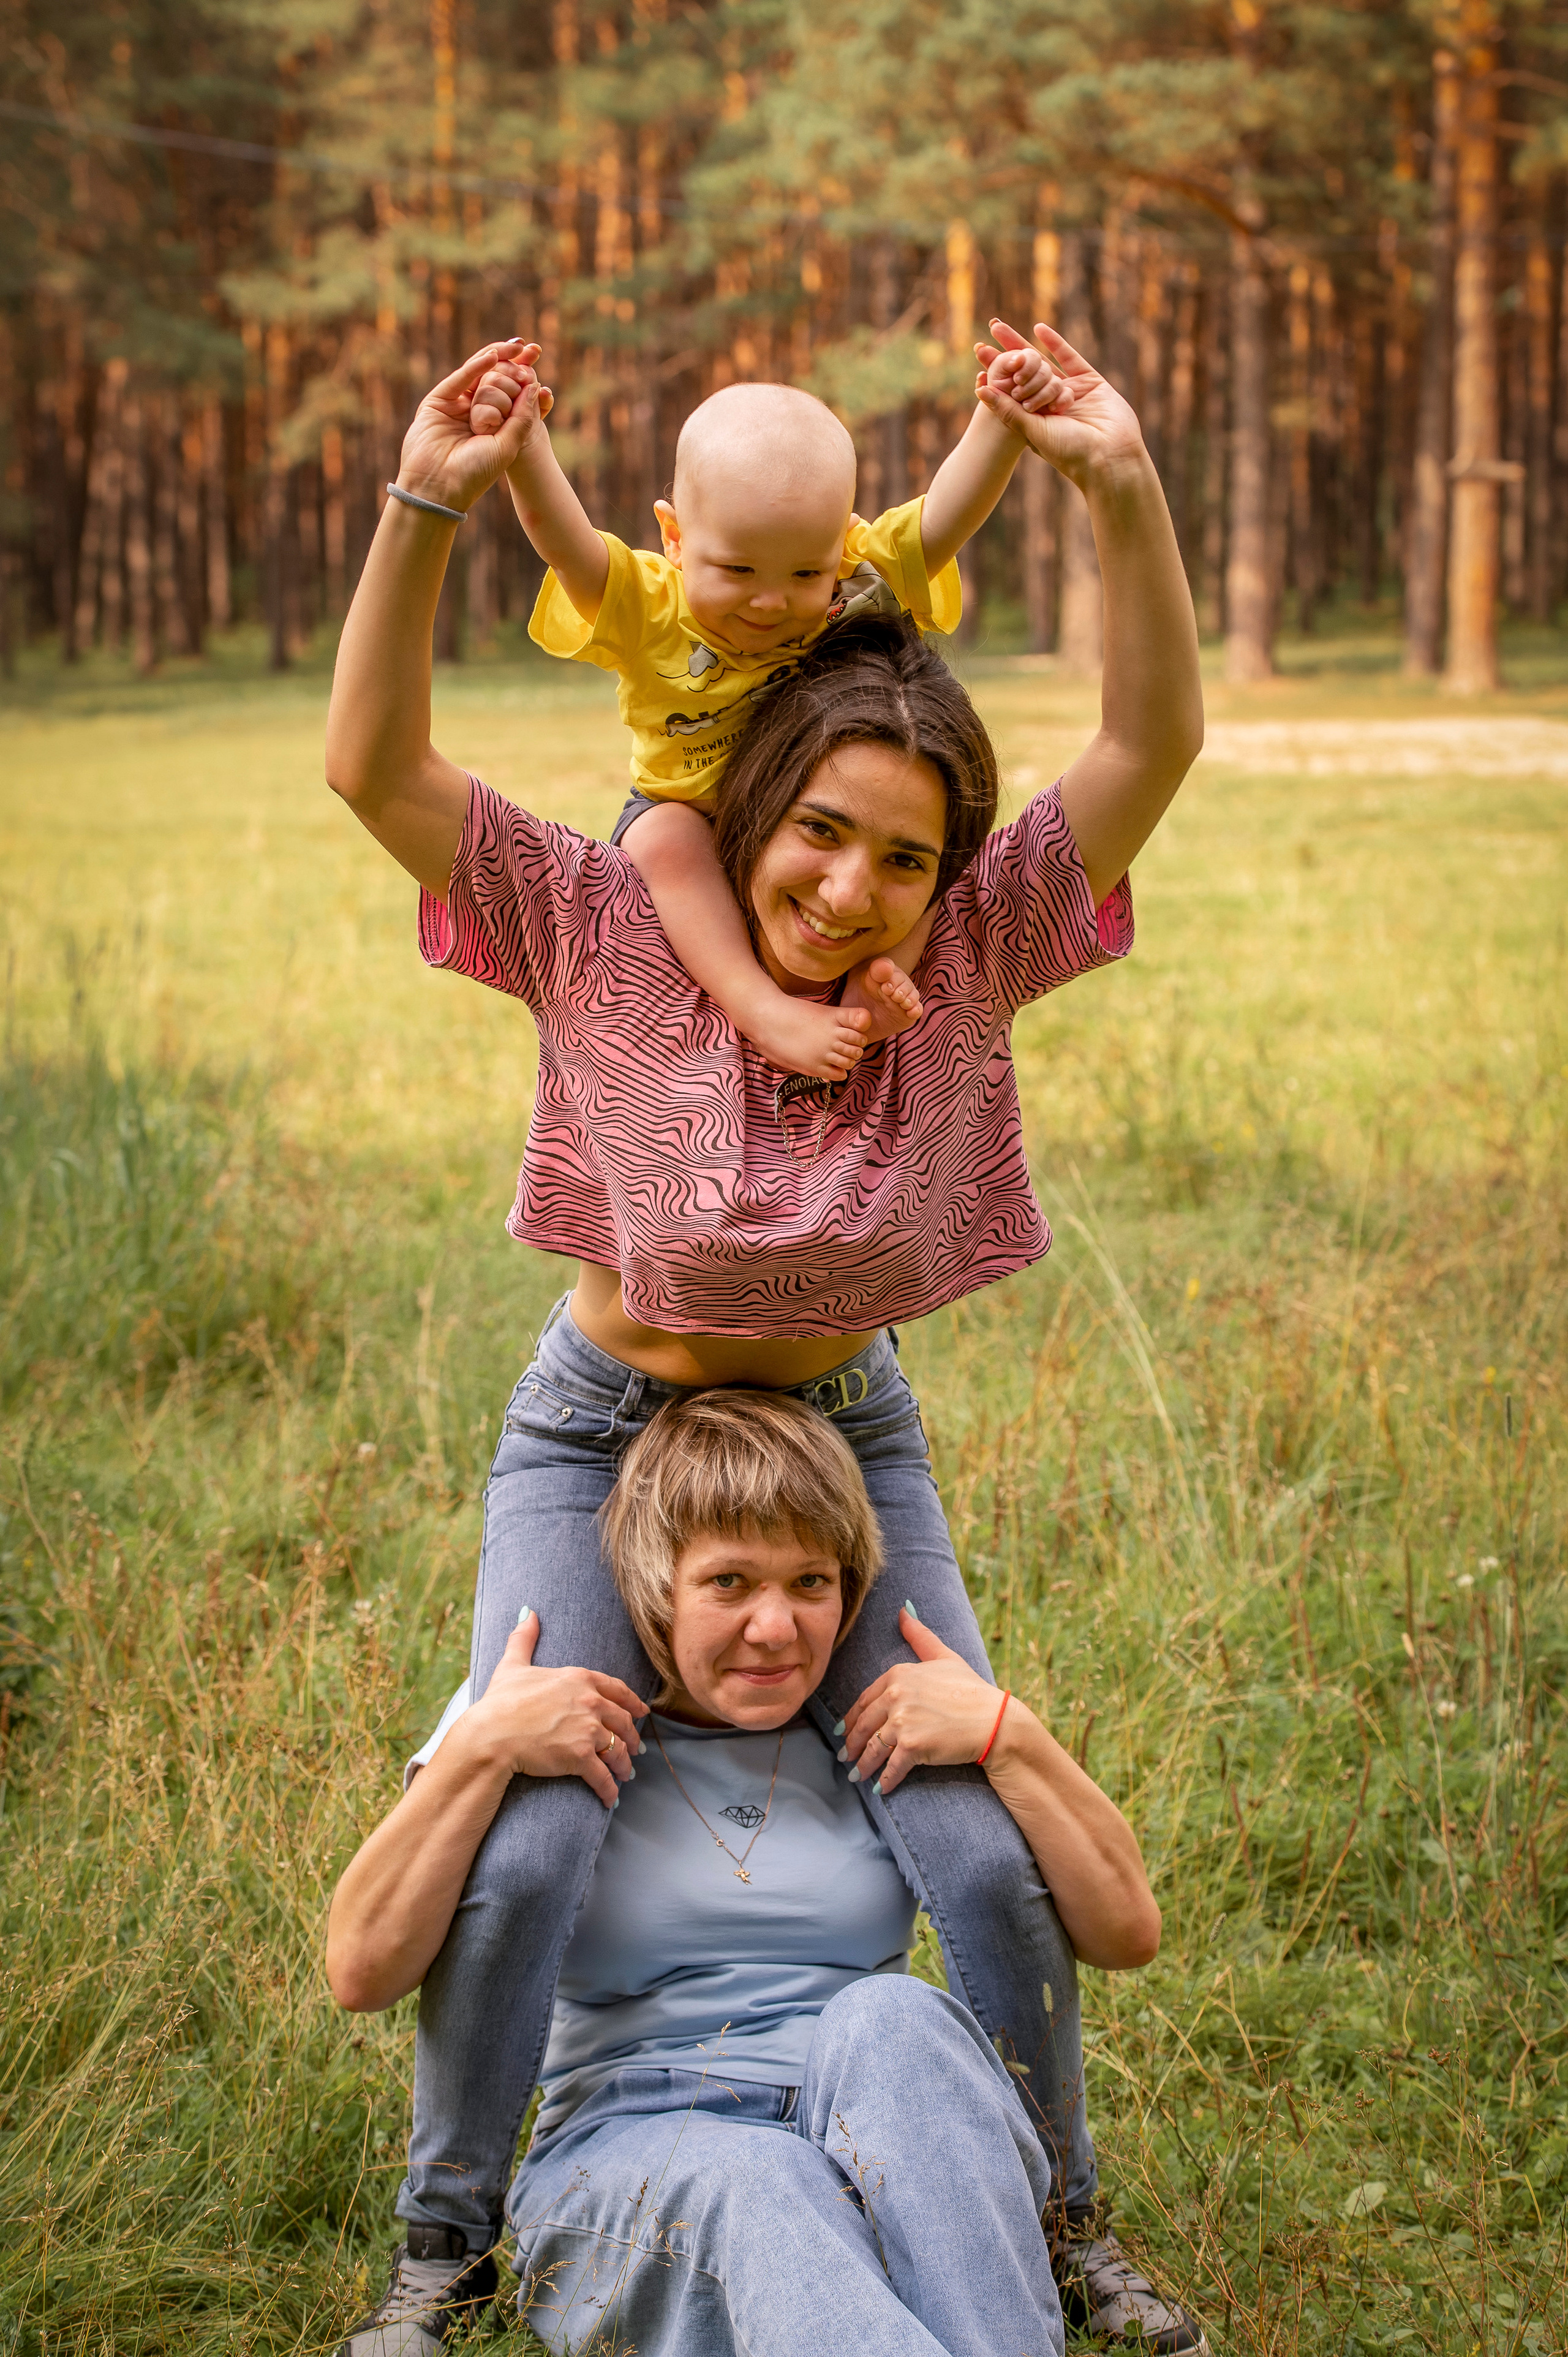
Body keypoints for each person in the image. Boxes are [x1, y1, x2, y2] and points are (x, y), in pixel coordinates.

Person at [323, 315, 1205, 2354]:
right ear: (761, 794)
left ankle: (1059, 2209)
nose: (852, 888)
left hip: (841, 1444)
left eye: (906, 856)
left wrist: (1122, 483)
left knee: (966, 1826)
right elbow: (373, 765)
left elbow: (1148, 750)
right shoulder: (609, 918)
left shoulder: (969, 947)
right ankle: (447, 2228)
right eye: (823, 831)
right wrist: (426, 506)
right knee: (532, 1815)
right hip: (604, 1430)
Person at [328, 1389, 1167, 2357]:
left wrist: (1007, 1732)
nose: (777, 1627)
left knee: (896, 2018)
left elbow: (1125, 1932)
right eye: (729, 1581)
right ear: (654, 1585)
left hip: (870, 2128)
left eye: (811, 1579)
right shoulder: (540, 1711)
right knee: (764, 2180)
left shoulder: (888, 1719)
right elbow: (361, 1969)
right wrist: (479, 1747)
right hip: (635, 2150)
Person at [467, 325, 1070, 1081]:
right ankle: (760, 1006)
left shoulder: (852, 584)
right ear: (676, 537)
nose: (770, 600)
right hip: (696, 810)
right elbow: (565, 542)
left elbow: (943, 518)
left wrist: (1000, 425)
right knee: (664, 841)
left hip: (816, 826)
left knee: (914, 855)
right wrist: (523, 447)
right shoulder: (650, 606)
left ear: (842, 544)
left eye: (802, 573)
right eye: (739, 567)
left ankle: (870, 998)